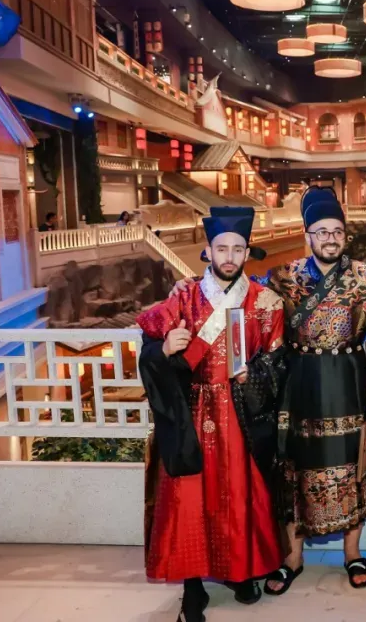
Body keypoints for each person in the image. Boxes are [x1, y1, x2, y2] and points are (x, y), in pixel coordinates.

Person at [136, 206, 285, 622]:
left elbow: (278, 360)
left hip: (239, 413)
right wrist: (164, 350)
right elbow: (148, 345)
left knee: (239, 496)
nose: (230, 257)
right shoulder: (183, 296)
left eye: (238, 249)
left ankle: (240, 571)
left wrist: (254, 375)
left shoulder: (266, 301)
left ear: (247, 253)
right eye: (222, 248)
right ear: (208, 251)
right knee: (189, 499)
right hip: (191, 411)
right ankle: (192, 586)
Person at [262, 187, 366, 594]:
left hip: (349, 380)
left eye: (337, 231)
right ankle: (293, 557)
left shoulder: (365, 277)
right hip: (300, 384)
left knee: (352, 465)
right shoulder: (283, 278)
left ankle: (352, 553)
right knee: (295, 466)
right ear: (308, 236)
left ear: (344, 235)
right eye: (322, 232)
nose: (330, 239)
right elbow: (250, 309)